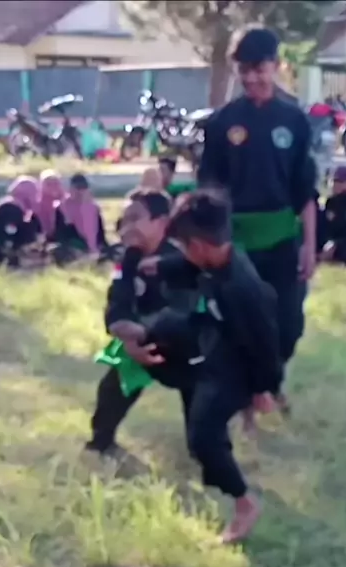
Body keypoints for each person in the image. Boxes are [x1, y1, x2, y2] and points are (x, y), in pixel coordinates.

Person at [198, 27, 316, 413]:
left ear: (276, 66)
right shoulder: (222, 122)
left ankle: (269, 381)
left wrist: (309, 246)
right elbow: (209, 188)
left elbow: (305, 190)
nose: (251, 78)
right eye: (243, 70)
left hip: (282, 236)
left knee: (289, 324)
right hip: (237, 239)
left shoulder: (295, 120)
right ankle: (251, 397)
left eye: (259, 69)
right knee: (243, 322)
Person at [167, 190, 283, 542]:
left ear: (199, 246)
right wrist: (158, 266)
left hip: (239, 368)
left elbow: (266, 343)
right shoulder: (220, 259)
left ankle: (245, 503)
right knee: (165, 329)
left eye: (183, 247)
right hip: (218, 345)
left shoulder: (241, 288)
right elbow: (187, 268)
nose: (183, 254)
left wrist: (264, 388)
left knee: (203, 436)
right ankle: (214, 453)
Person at [86, 190, 201, 456]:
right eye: (124, 220)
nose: (127, 227)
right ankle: (101, 444)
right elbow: (117, 303)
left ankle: (206, 452)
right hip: (139, 342)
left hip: (186, 346)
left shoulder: (181, 259)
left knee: (201, 400)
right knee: (112, 388)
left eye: (135, 218)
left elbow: (183, 314)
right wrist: (126, 336)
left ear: (162, 222)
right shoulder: (128, 259)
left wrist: (143, 335)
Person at [0, 176, 44, 268]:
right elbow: (6, 236)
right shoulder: (10, 209)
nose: (37, 198)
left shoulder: (26, 213)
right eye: (34, 193)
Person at [58, 173, 110, 261]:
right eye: (77, 188)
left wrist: (85, 208)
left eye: (83, 188)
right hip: (73, 243)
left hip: (93, 245)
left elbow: (100, 233)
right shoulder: (63, 207)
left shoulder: (93, 208)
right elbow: (62, 233)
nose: (80, 192)